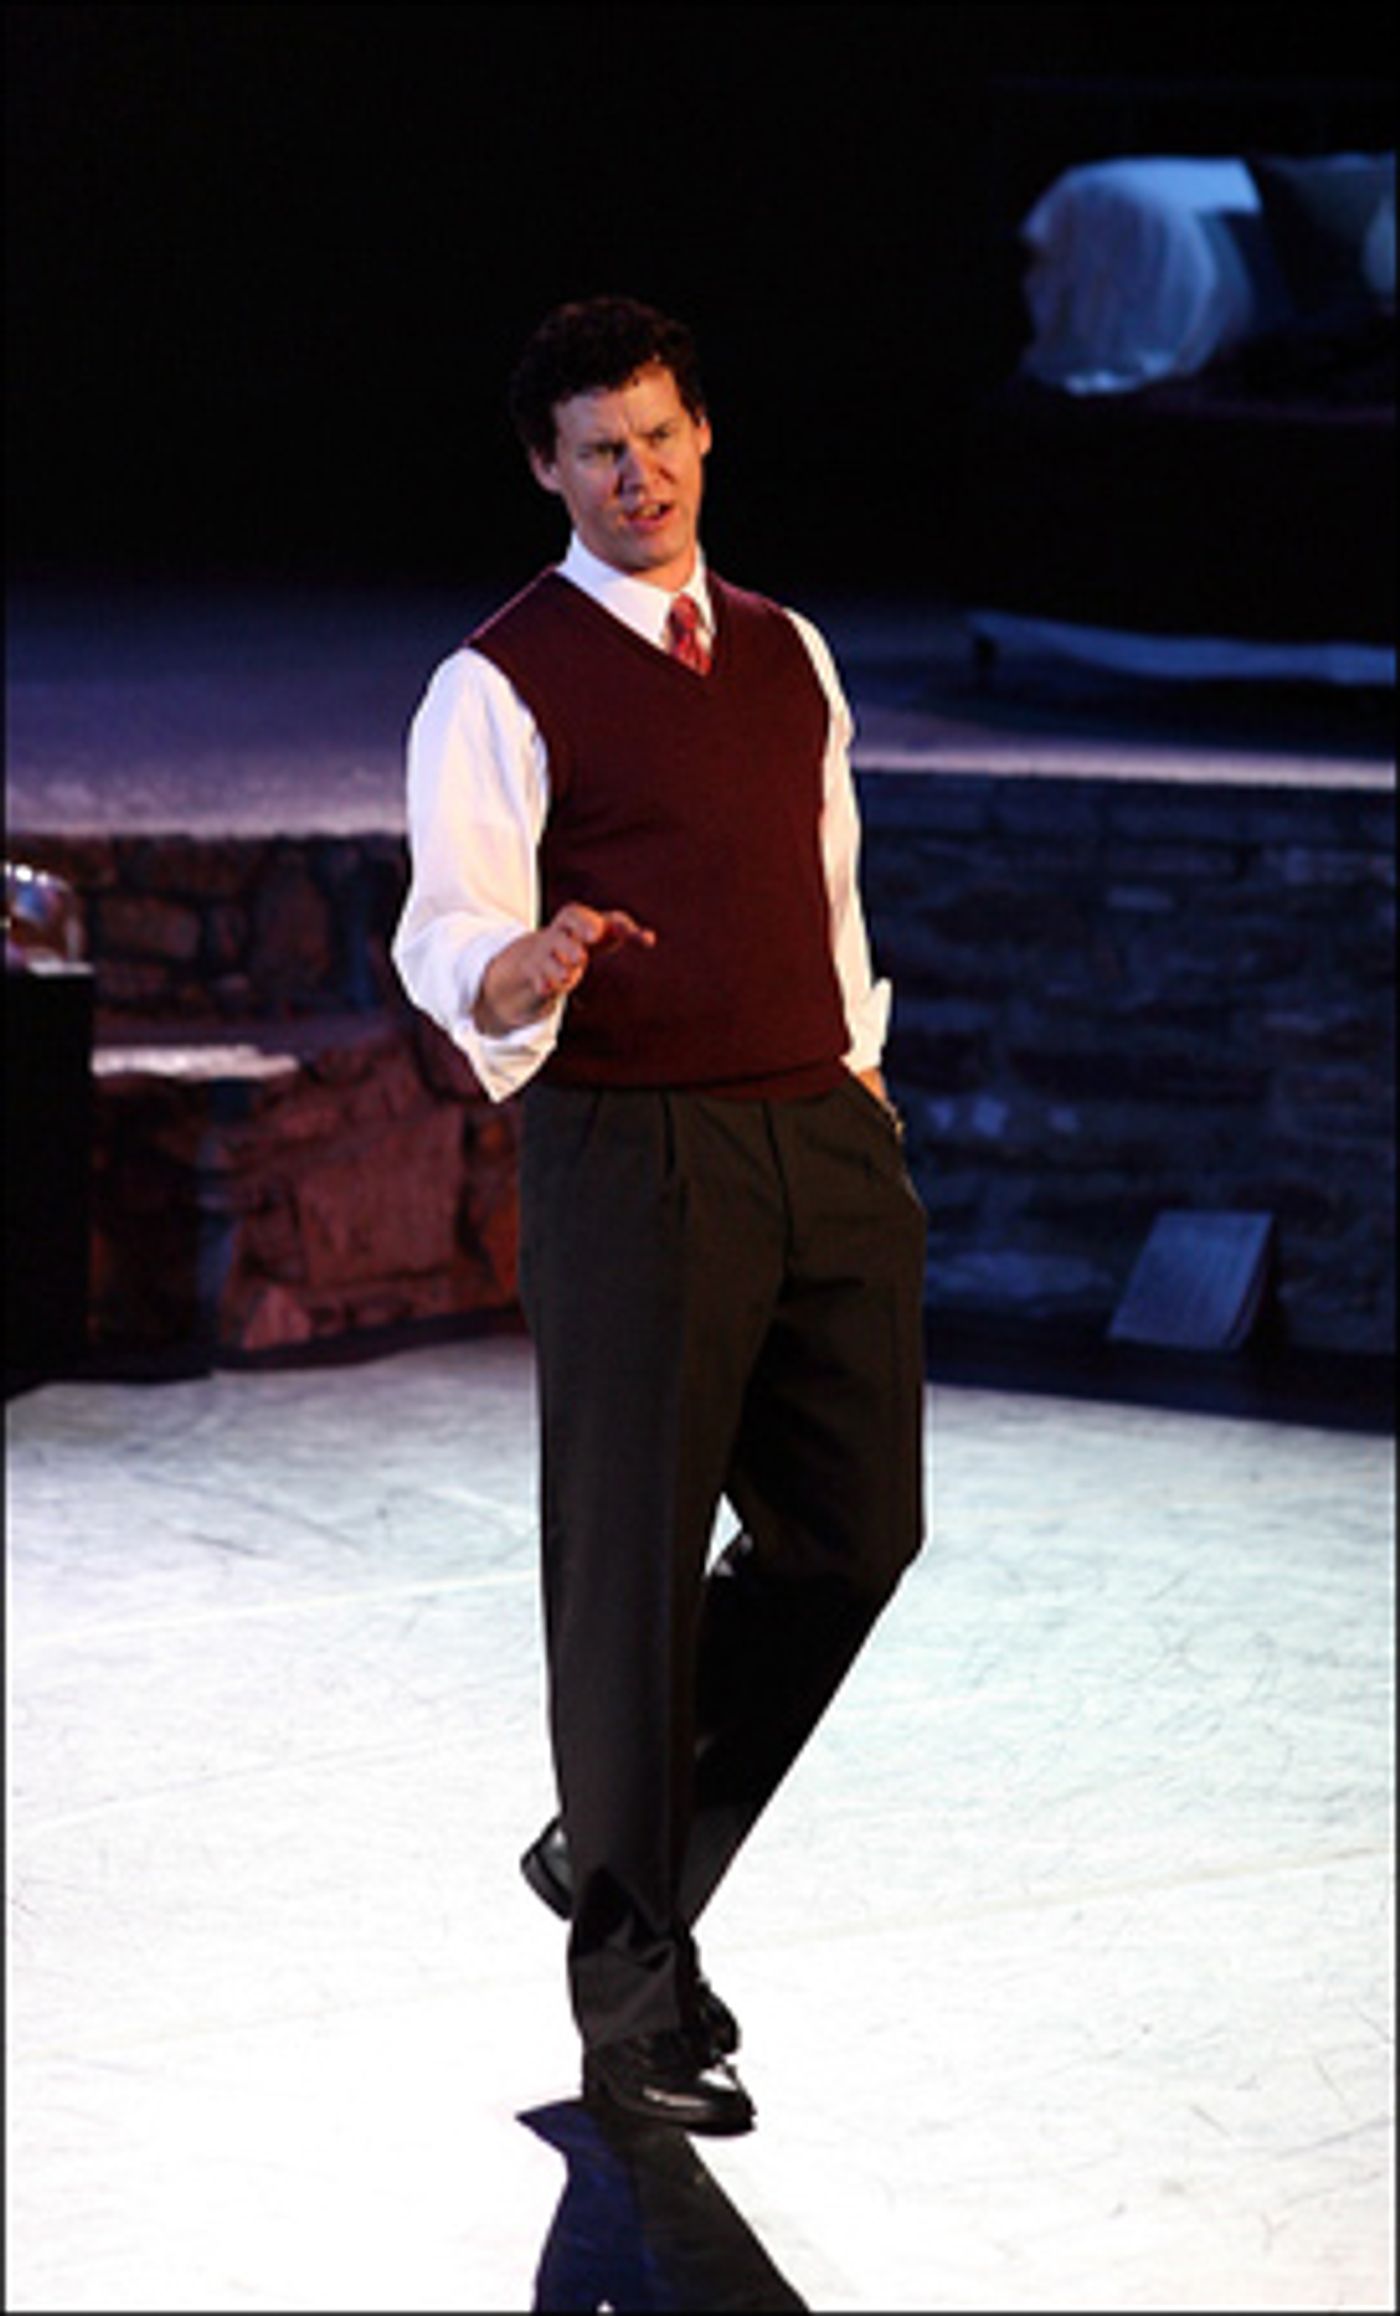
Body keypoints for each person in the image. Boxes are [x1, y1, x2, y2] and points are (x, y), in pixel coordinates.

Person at [393, 295, 927, 2137]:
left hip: (817, 1129)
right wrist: (524, 965)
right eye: (600, 451)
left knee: (855, 1535)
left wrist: (860, 1069)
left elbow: (829, 884)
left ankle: (610, 1829)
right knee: (630, 1578)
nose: (640, 477)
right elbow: (446, 933)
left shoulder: (787, 650)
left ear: (706, 436)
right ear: (548, 469)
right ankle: (633, 2005)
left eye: (662, 437)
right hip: (635, 1153)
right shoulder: (499, 680)